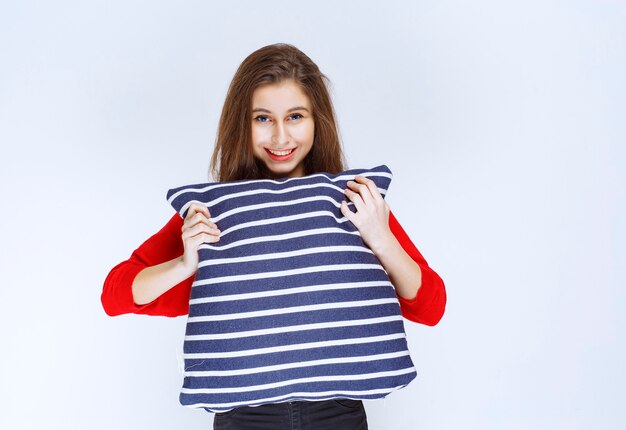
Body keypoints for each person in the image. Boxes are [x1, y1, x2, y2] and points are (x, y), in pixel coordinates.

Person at [102, 43, 446, 430]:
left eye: (295, 116)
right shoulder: (214, 212)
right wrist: (185, 264)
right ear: (241, 123)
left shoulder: (355, 200)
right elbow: (115, 294)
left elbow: (431, 307)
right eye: (263, 119)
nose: (281, 137)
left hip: (338, 416)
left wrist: (380, 239)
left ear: (318, 121)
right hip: (244, 418)